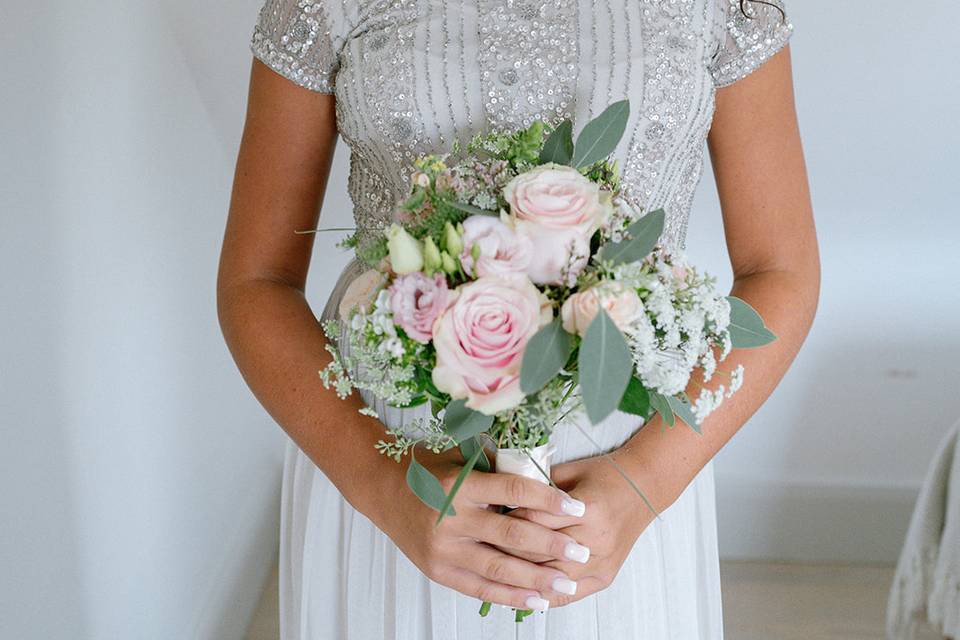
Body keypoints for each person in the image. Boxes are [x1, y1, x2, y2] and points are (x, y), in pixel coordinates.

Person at [217, 0, 819, 637]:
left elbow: (781, 271)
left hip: (627, 465)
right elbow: (257, 282)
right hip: (394, 455)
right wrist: (386, 486)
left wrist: (646, 482)